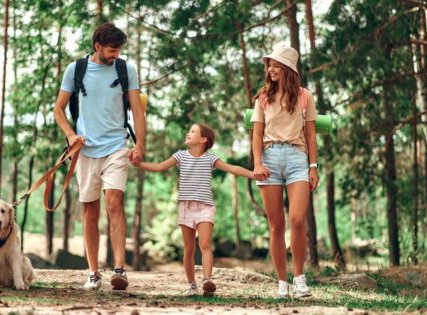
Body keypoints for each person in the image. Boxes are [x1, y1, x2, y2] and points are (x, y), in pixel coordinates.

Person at [53, 23, 146, 291]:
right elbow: (58, 109)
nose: (115, 54)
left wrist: (139, 144)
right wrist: (71, 136)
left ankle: (120, 270)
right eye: (111, 50)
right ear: (97, 46)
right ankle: (93, 272)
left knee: (114, 203)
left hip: (117, 145)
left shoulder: (125, 69)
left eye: (119, 50)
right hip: (85, 149)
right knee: (90, 210)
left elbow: (137, 112)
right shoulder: (76, 70)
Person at [132, 123, 268, 296]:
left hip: (205, 208)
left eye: (193, 131)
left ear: (203, 139)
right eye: (189, 131)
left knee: (205, 244)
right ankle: (191, 285)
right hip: (186, 207)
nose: (188, 133)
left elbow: (232, 168)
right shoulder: (180, 156)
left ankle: (207, 281)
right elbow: (159, 167)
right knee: (189, 249)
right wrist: (139, 164)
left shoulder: (210, 159)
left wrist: (253, 174)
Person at [251, 46, 319, 298]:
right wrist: (257, 163)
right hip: (269, 159)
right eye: (269, 65)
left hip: (297, 158)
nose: (270, 69)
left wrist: (313, 166)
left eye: (276, 65)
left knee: (297, 220)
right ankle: (282, 281)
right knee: (276, 225)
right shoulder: (263, 97)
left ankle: (299, 278)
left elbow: (311, 134)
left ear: (288, 69)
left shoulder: (304, 96)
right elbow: (257, 134)